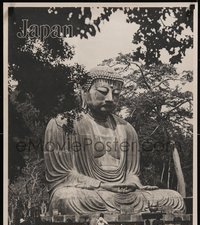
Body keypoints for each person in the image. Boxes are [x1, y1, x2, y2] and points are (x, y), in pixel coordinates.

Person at [44, 66, 185, 216]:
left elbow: (132, 173)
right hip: (89, 193)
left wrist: (132, 183)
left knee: (174, 198)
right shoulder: (63, 123)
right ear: (84, 92)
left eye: (116, 93)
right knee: (67, 198)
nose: (110, 98)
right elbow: (63, 176)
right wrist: (102, 185)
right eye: (103, 92)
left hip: (123, 194)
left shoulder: (127, 128)